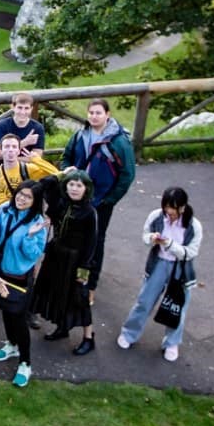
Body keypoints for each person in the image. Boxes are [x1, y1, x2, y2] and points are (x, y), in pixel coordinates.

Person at [116, 187, 202, 362]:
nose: (169, 214)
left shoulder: (194, 225)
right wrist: (152, 239)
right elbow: (145, 236)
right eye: (167, 210)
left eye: (173, 211)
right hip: (158, 264)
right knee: (144, 301)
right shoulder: (156, 216)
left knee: (177, 308)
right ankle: (129, 333)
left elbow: (191, 252)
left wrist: (170, 245)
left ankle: (171, 343)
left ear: (182, 208)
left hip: (180, 269)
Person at [61, 98, 136, 296]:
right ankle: (69, 276)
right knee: (70, 235)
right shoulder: (80, 135)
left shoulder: (118, 142)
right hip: (75, 196)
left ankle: (89, 283)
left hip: (100, 200)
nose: (94, 116)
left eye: (98, 113)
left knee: (94, 241)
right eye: (91, 113)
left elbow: (127, 174)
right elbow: (67, 157)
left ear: (107, 114)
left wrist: (109, 200)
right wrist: (66, 171)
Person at [0, 180, 49, 388]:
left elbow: (33, 254)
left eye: (28, 197)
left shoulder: (37, 223)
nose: (22, 199)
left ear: (35, 201)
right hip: (1, 273)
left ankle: (25, 362)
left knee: (19, 318)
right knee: (5, 310)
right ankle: (11, 345)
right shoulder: (5, 209)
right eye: (20, 194)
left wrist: (30, 236)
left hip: (20, 277)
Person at [29, 171, 99, 355]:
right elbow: (42, 184)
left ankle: (88, 338)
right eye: (71, 184)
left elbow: (92, 245)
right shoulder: (60, 203)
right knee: (58, 293)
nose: (74, 189)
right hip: (56, 256)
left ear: (86, 189)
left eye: (79, 185)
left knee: (79, 297)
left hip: (77, 261)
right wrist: (61, 175)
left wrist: (83, 273)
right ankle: (62, 328)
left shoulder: (90, 212)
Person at [0, 134, 59, 209]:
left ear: (18, 151)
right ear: (1, 151)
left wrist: (36, 160)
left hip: (24, 213)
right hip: (2, 215)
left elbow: (57, 174)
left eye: (14, 147)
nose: (10, 150)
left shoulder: (28, 169)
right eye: (7, 146)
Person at [0, 92, 45, 158]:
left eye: (26, 108)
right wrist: (25, 142)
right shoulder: (2, 125)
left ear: (31, 109)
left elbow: (36, 157)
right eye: (20, 108)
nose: (23, 112)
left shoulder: (38, 128)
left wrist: (9, 157)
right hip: (5, 167)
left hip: (29, 167)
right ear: (13, 107)